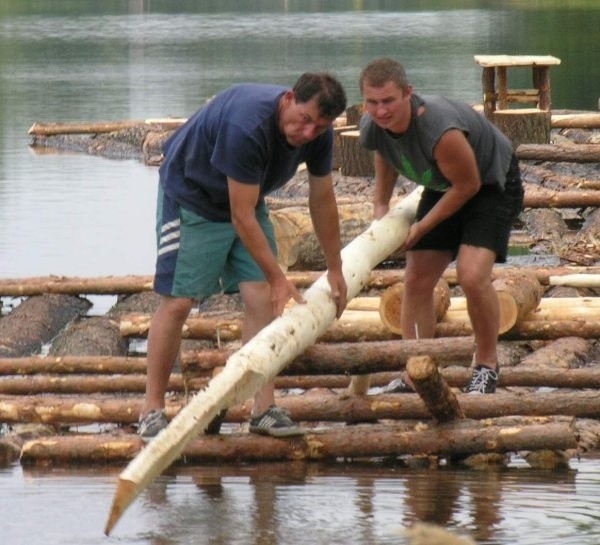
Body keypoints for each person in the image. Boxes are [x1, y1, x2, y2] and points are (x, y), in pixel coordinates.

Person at [138, 73, 348, 441]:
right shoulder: (247, 124)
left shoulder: (319, 134)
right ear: (289, 98)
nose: (308, 132)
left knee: (261, 297)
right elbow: (241, 217)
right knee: (179, 302)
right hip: (192, 196)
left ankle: (262, 409)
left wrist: (335, 267)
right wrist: (281, 279)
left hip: (245, 201)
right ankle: (152, 410)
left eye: (319, 126)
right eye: (305, 119)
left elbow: (322, 199)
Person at [358, 58, 523, 394]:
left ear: (408, 94)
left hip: (491, 183)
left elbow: (469, 186)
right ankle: (416, 368)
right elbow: (385, 154)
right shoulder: (372, 126)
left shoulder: (439, 129)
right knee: (417, 276)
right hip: (446, 185)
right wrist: (380, 204)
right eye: (373, 102)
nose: (381, 110)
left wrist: (420, 228)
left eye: (388, 101)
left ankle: (487, 365)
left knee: (471, 275)